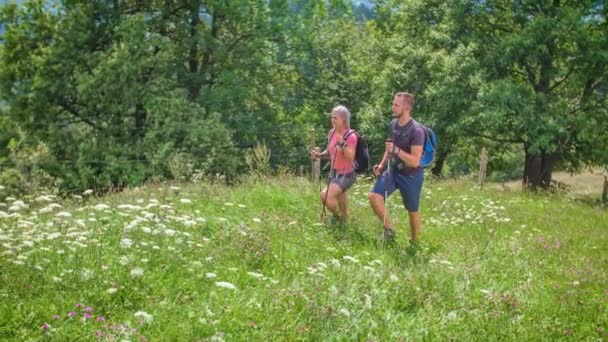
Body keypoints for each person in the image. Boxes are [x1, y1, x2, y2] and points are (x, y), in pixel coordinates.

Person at [368, 92, 424, 245]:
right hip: (393, 171)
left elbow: (414, 161)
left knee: (412, 211)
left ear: (406, 108)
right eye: (393, 103)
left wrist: (396, 151)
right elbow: (389, 147)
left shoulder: (416, 131)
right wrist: (381, 164)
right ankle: (390, 231)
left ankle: (415, 243)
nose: (392, 107)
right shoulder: (393, 124)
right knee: (374, 196)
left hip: (411, 175)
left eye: (396, 105)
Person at [311, 105, 358, 223]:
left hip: (347, 174)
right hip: (335, 173)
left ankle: (336, 218)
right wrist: (319, 155)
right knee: (343, 209)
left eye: (335, 118)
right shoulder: (331, 133)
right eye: (332, 117)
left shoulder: (351, 136)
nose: (332, 120)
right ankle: (343, 221)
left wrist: (342, 143)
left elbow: (350, 156)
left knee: (325, 196)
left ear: (344, 120)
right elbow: (330, 152)